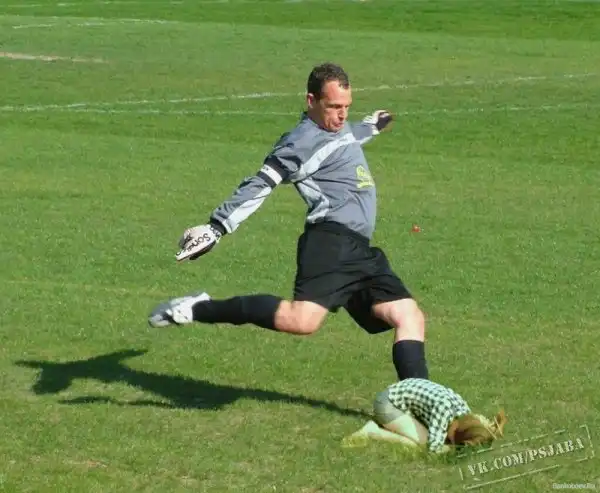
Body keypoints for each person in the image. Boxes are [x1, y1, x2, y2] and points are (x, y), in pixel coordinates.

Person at [148, 62, 428, 381]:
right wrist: (217, 227)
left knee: (409, 315)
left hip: (360, 250)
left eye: (347, 107)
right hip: (331, 242)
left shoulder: (337, 128)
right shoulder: (299, 143)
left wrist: (372, 126)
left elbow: (347, 137)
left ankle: (418, 400)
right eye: (334, 107)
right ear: (311, 101)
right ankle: (197, 308)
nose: (341, 115)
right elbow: (260, 184)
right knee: (302, 321)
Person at [344, 378, 508, 454]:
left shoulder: (464, 412)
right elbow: (433, 449)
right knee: (421, 444)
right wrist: (453, 450)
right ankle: (372, 431)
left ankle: (389, 426)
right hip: (387, 404)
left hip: (398, 396)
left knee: (428, 436)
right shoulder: (443, 410)